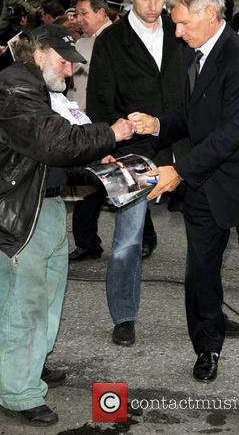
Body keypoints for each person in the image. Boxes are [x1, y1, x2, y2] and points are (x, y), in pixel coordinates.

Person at [129, 0, 239, 422]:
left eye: (181, 23)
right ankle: (208, 348)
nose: (175, 32)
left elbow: (231, 133)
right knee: (200, 274)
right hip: (204, 181)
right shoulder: (187, 52)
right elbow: (191, 114)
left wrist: (178, 171)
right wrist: (156, 125)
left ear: (210, 15)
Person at [0, 23, 133, 426]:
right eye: (64, 61)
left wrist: (98, 162)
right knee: (25, 304)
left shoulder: (40, 90)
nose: (70, 70)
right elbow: (53, 142)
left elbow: (59, 151)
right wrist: (111, 133)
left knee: (48, 301)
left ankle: (30, 365)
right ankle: (18, 392)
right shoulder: (16, 86)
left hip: (48, 206)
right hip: (24, 211)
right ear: (39, 55)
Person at [86, 0, 183, 346]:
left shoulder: (180, 32)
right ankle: (124, 316)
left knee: (208, 233)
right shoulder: (110, 41)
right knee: (128, 239)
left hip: (181, 145)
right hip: (132, 152)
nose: (153, 5)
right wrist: (108, 146)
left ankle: (210, 312)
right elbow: (99, 102)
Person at [67, 0, 112, 260]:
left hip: (107, 122)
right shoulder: (81, 43)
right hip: (81, 122)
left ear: (101, 13)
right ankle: (87, 242)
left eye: (84, 13)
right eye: (77, 13)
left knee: (118, 181)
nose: (79, 19)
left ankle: (145, 236)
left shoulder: (119, 40)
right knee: (90, 181)